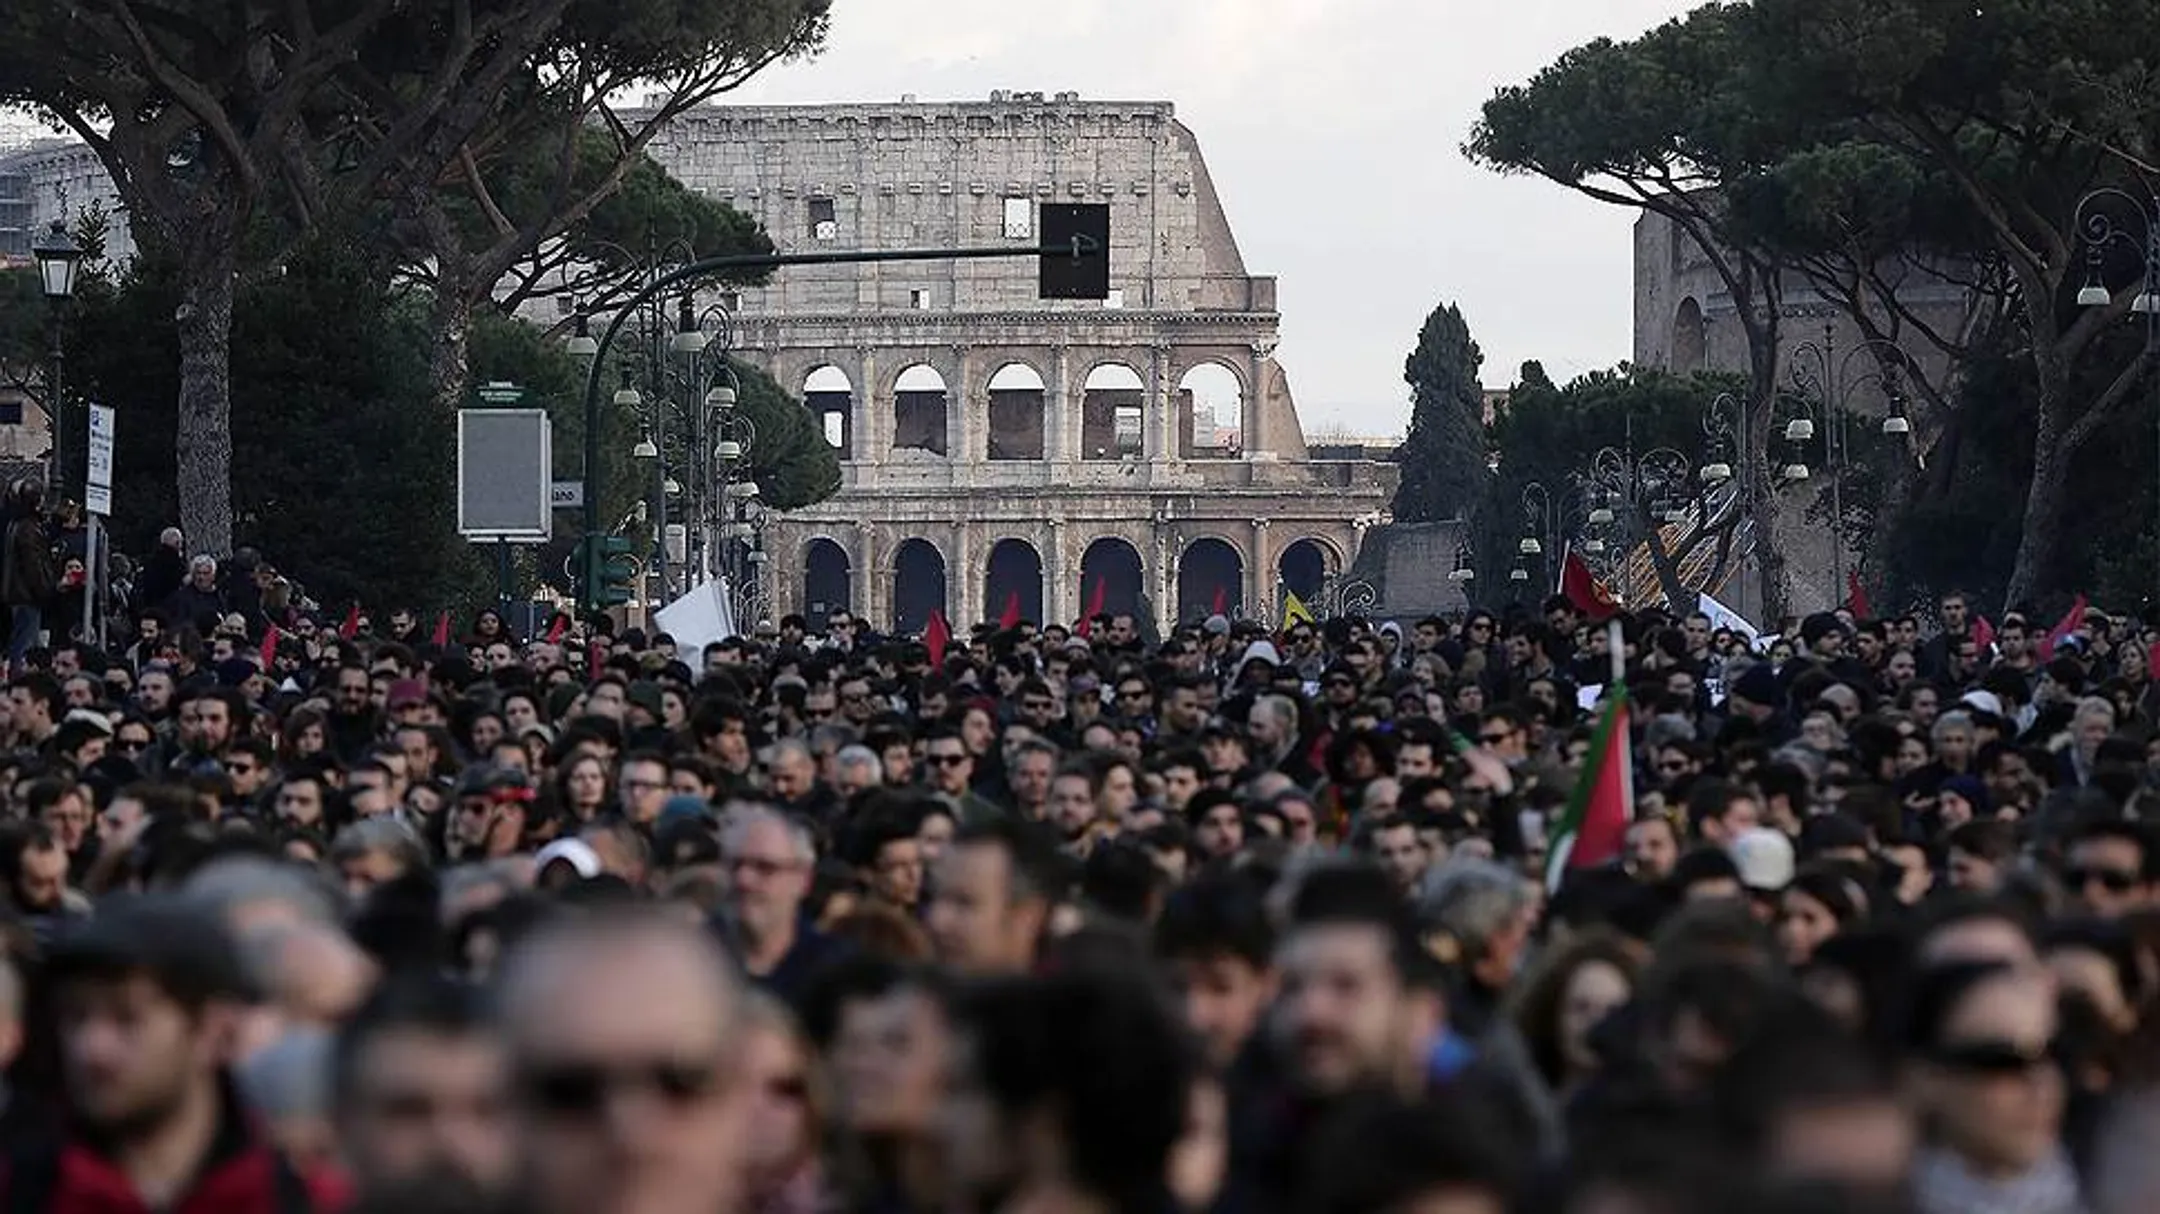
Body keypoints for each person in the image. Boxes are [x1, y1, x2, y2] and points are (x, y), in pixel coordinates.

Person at [2, 895, 347, 1212]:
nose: (92, 1048)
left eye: (127, 1018)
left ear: (215, 1032)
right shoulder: (20, 1190)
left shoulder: (306, 1201)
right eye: (76, 1017)